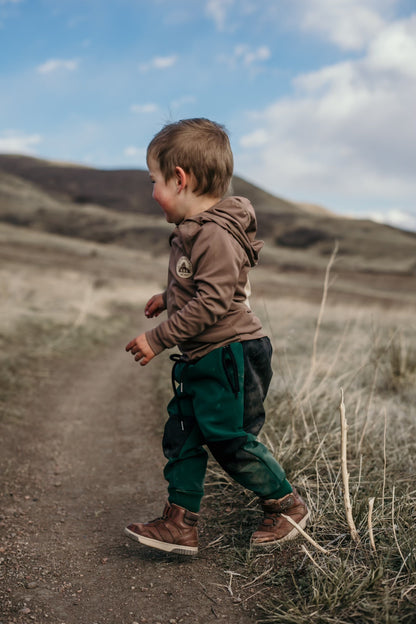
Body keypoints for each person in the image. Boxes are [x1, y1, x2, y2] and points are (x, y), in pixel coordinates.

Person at [124, 118, 309, 556]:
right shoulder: (197, 232)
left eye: (154, 180)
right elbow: (202, 287)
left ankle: (287, 505)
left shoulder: (214, 235)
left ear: (179, 179)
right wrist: (168, 296)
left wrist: (159, 337)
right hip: (205, 354)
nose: (152, 191)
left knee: (227, 438)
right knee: (184, 432)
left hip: (230, 352)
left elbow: (213, 303)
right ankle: (179, 523)